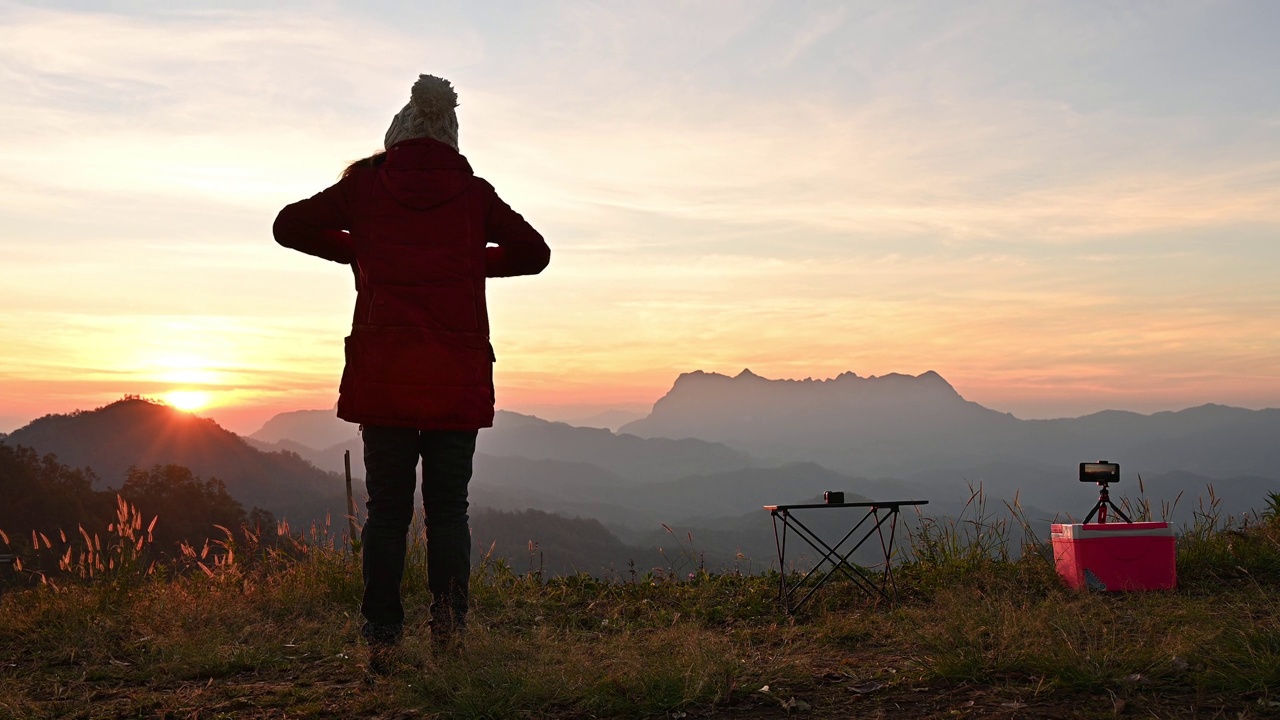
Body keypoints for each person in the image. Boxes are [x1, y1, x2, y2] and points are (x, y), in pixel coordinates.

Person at [273, 74, 550, 661]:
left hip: (385, 375)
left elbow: (288, 225)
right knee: (449, 510)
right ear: (450, 132)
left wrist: (366, 249)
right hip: (456, 376)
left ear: (397, 131)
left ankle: (382, 641)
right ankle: (448, 636)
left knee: (387, 512)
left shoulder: (368, 187)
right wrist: (465, 263)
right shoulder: (474, 194)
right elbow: (535, 253)